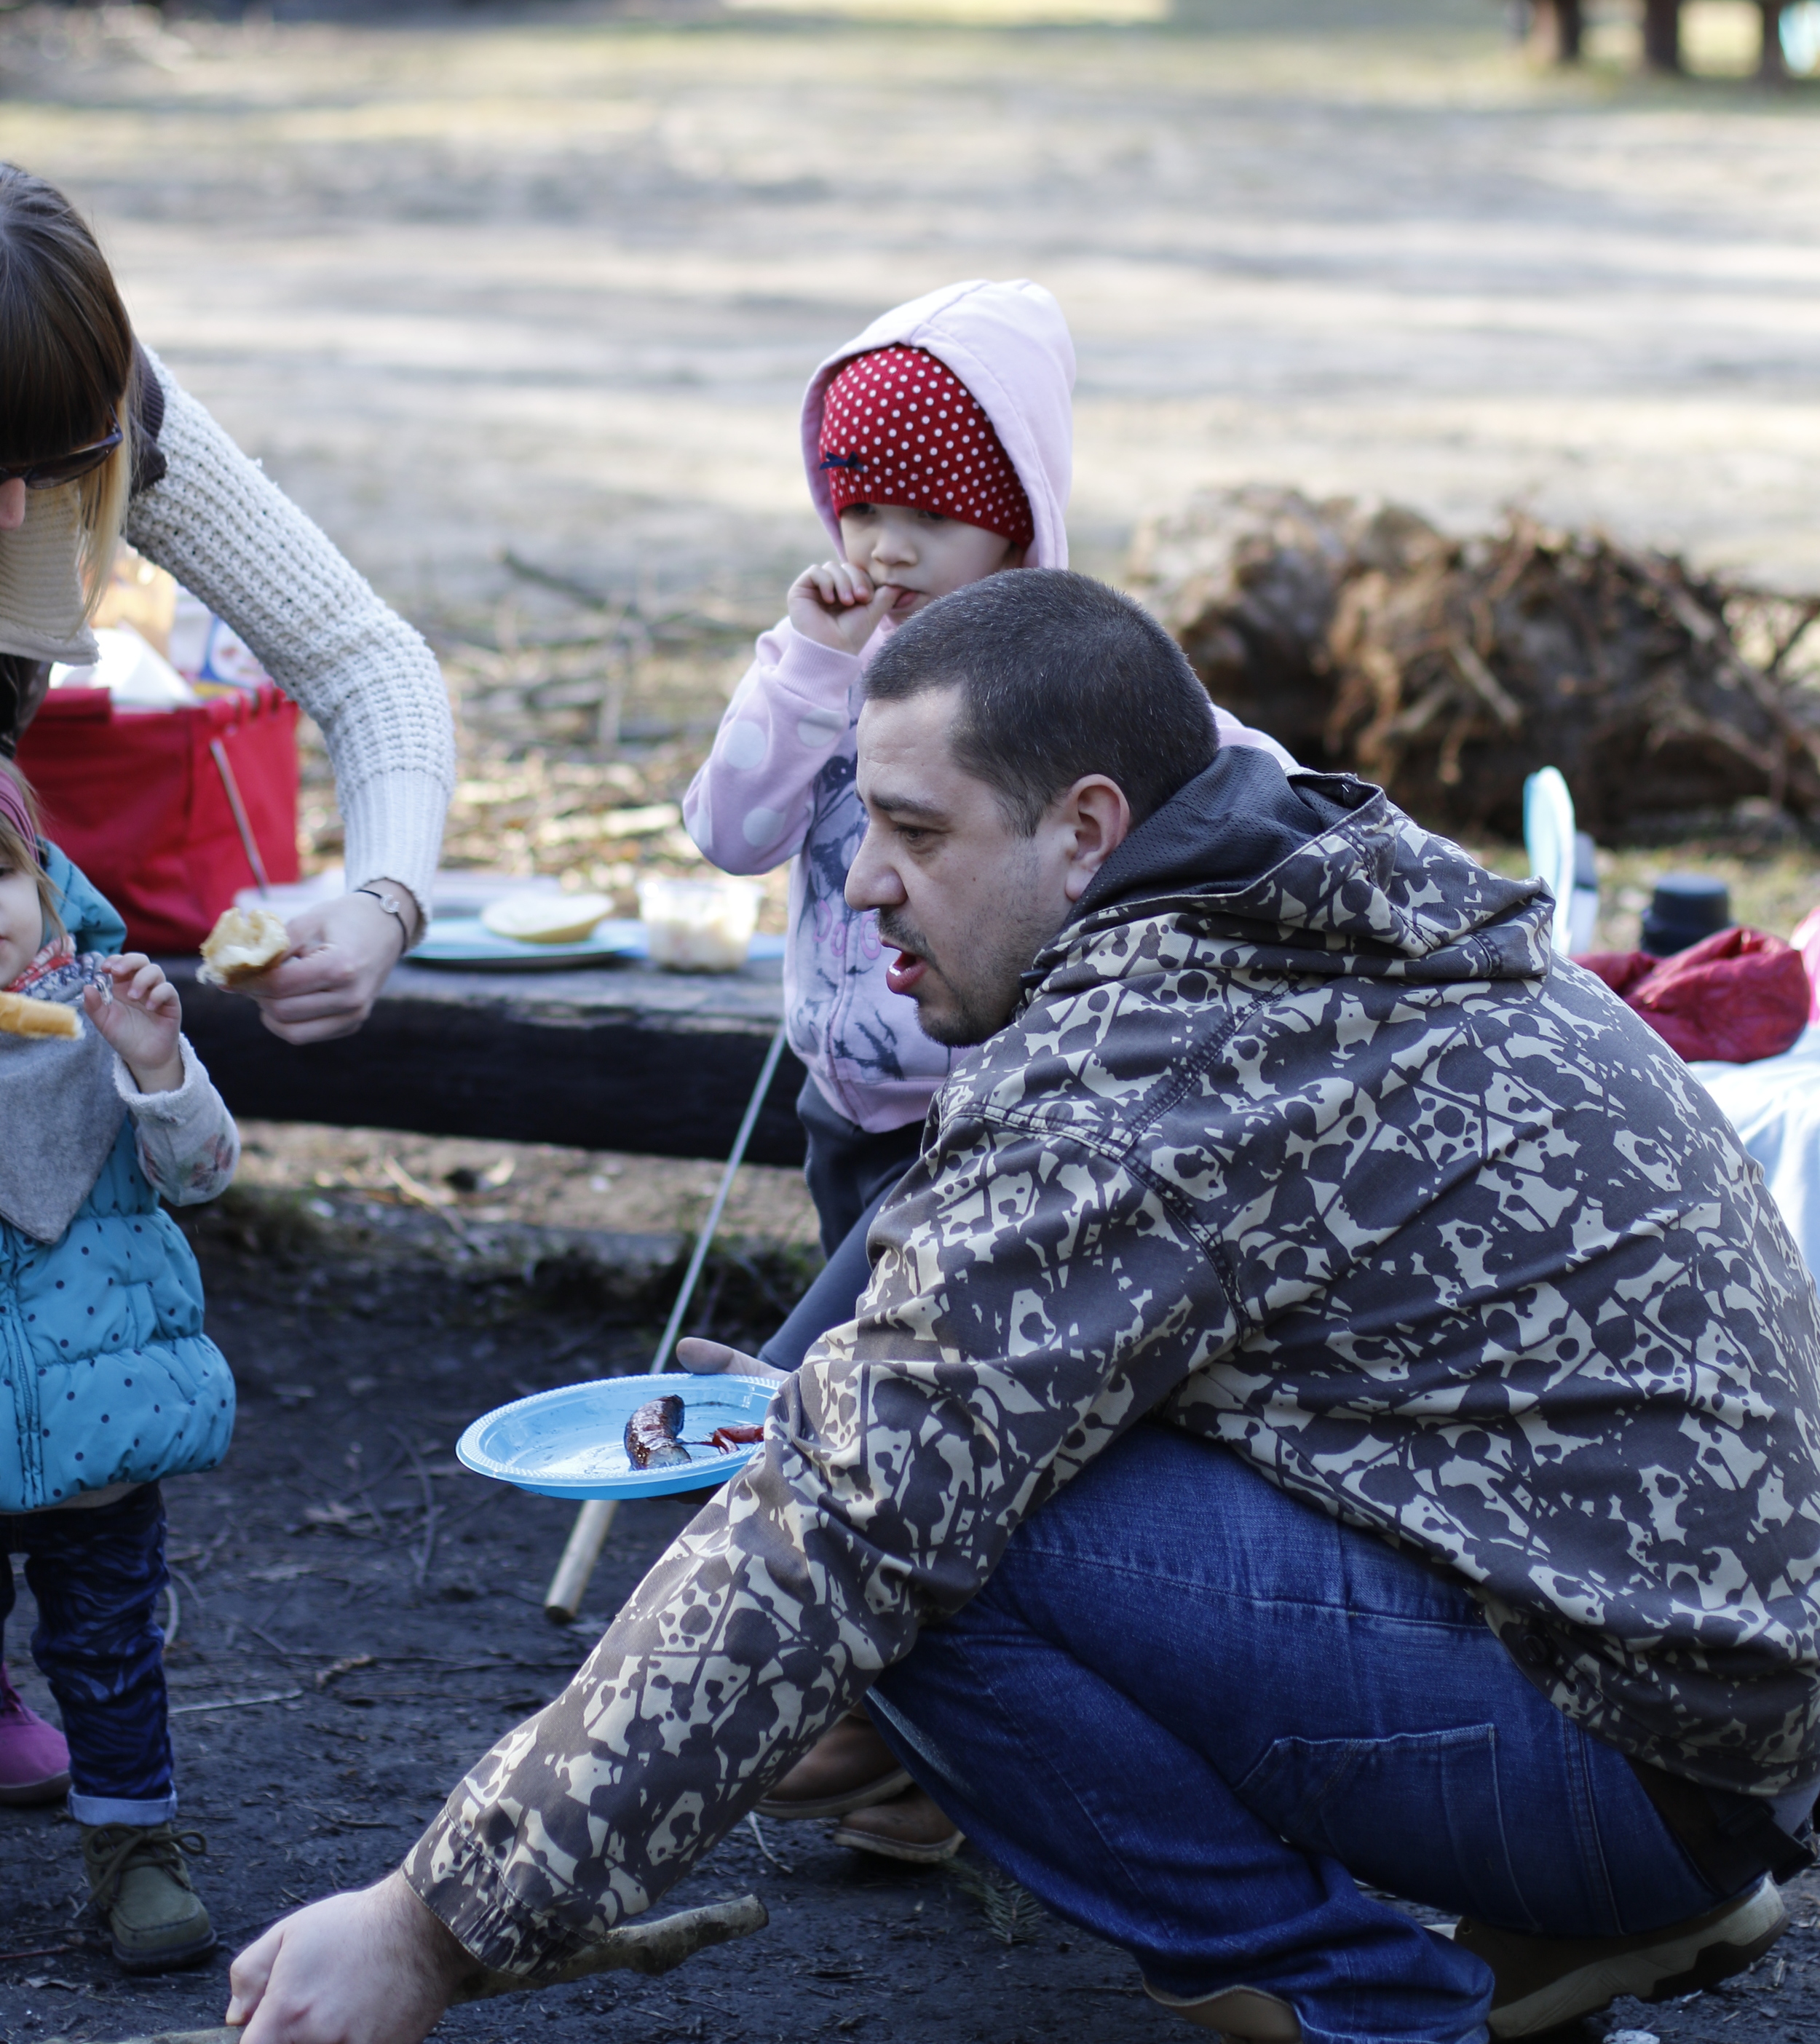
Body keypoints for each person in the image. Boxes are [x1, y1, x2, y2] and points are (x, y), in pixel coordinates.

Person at [227, 566, 1820, 2044]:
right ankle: (1582, 1911)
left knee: (909, 1527)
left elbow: (848, 1511)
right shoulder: (1321, 903)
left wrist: (429, 1924)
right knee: (902, 1451)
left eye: (916, 833)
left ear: (1084, 828)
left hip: (1628, 1757)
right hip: (1703, 1724)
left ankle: (1361, 2005)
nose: (860, 884)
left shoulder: (1153, 1065)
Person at [679, 281, 1288, 1860]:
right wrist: (804, 676)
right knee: (883, 1424)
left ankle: (880, 1717)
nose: (879, 548)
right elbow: (725, 830)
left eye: (924, 518)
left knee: (887, 1421)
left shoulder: (1058, 684)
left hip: (1000, 1134)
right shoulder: (827, 672)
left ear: (1013, 524)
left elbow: (1223, 775)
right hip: (851, 1110)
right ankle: (918, 1770)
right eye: (855, 503)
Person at [0, 163, 454, 1047]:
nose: (13, 513)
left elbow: (363, 661)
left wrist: (385, 900)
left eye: (50, 469)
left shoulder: (105, 402)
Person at [0, 757, 240, 1970]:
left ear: (42, 881)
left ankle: (133, 1845)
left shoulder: (105, 1015)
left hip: (102, 1426)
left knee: (106, 1645)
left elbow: (202, 1176)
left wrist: (157, 1066)